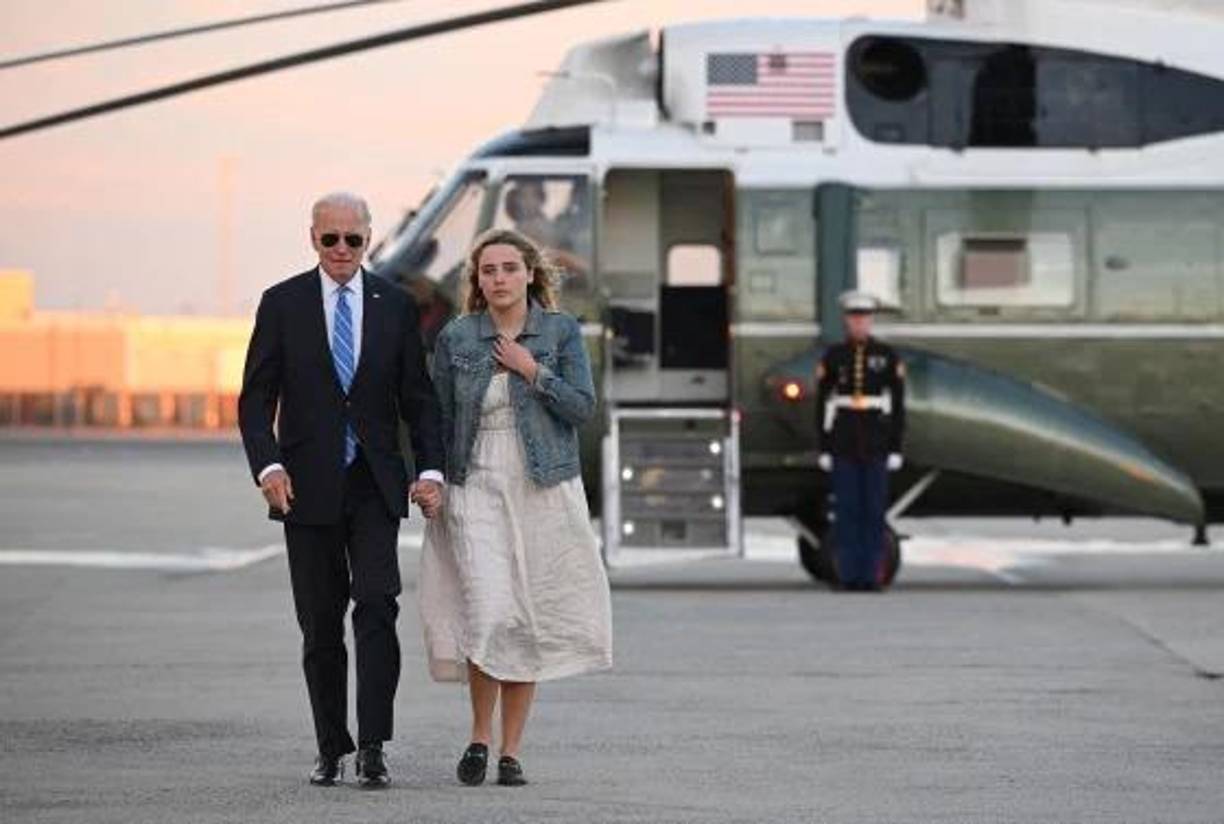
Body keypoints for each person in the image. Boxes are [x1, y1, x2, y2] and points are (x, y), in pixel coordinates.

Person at [238, 192, 445, 788]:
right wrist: (268, 467)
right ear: (313, 238)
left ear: (368, 239)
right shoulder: (282, 304)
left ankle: (375, 745)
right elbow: (256, 400)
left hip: (376, 486)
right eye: (331, 239)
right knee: (321, 625)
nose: (342, 250)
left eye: (353, 240)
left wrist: (429, 471)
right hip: (305, 488)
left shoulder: (396, 306)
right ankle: (332, 747)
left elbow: (418, 399)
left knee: (378, 606)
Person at [418, 227, 613, 787]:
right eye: (487, 270)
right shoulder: (458, 338)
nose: (499, 278)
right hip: (474, 479)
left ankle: (511, 751)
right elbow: (435, 417)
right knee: (489, 608)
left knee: (526, 615)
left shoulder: (560, 330)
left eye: (509, 268)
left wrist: (533, 371)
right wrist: (430, 479)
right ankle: (478, 738)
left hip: (541, 484)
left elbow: (581, 408)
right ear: (476, 281)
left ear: (531, 273)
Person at [814, 290, 906, 592]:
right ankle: (849, 575)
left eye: (864, 318)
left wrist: (895, 447)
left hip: (876, 439)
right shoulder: (834, 356)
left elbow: (898, 405)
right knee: (847, 511)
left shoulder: (887, 356)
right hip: (844, 440)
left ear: (871, 320)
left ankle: (871, 576)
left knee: (873, 511)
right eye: (854, 318)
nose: (859, 324)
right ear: (846, 321)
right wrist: (825, 446)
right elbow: (822, 403)